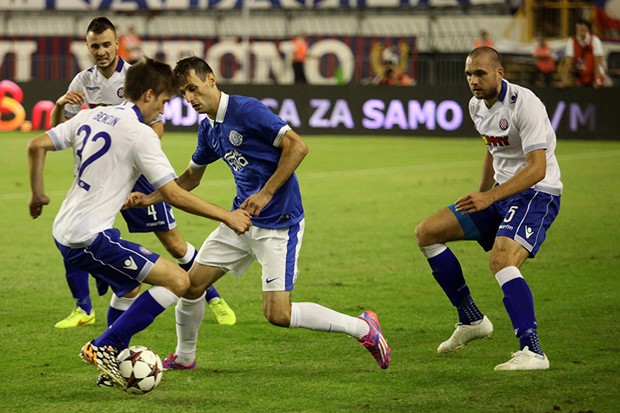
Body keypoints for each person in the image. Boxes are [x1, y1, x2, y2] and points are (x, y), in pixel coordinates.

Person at [126, 56, 391, 371]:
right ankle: (185, 357)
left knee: (278, 314)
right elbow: (191, 178)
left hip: (279, 224)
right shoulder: (209, 129)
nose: (190, 99)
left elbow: (297, 146)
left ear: (211, 79)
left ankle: (363, 327)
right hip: (240, 222)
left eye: (193, 89)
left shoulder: (247, 111)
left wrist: (266, 193)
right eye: (184, 93)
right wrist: (151, 198)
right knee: (191, 285)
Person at [28, 58, 252, 388]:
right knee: (179, 281)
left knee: (129, 288)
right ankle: (105, 346)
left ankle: (110, 365)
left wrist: (37, 195)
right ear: (148, 95)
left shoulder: (92, 114)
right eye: (163, 102)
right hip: (90, 237)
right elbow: (174, 193)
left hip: (64, 230)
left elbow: (36, 145)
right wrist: (226, 215)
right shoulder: (139, 134)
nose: (162, 111)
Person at [49, 17, 236, 330]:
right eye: (95, 46)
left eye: (106, 44)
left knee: (174, 245)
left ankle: (212, 297)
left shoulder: (135, 77)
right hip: (103, 173)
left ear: (117, 43)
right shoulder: (82, 81)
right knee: (77, 233)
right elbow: (58, 127)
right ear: (87, 47)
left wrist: (134, 153)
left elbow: (156, 125)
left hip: (136, 170)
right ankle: (83, 309)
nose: (101, 51)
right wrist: (59, 105)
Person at [414, 47, 562, 371]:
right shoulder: (475, 105)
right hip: (498, 194)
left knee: (501, 260)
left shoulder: (526, 104)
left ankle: (533, 350)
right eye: (468, 74)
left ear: (500, 73)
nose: (473, 80)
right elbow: (492, 147)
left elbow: (537, 168)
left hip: (536, 193)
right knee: (427, 233)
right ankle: (471, 319)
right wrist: (480, 194)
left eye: (480, 73)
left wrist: (489, 199)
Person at [561, 19, 605, 88]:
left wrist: (597, 80)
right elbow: (568, 62)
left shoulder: (595, 40)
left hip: (595, 75)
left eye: (582, 29)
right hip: (581, 77)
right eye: (578, 29)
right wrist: (564, 80)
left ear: (587, 29)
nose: (580, 31)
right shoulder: (572, 41)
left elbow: (597, 62)